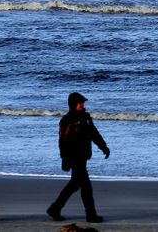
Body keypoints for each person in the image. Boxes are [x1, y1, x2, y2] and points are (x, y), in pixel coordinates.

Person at [46, 92, 110, 223]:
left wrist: (104, 147)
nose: (83, 104)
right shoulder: (66, 120)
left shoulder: (86, 117)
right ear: (73, 104)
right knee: (86, 187)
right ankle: (90, 215)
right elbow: (62, 141)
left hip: (83, 157)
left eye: (83, 102)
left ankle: (55, 208)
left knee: (75, 185)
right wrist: (64, 159)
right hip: (74, 158)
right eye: (80, 102)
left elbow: (94, 134)